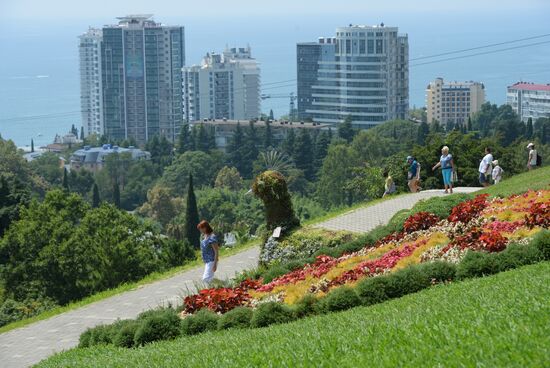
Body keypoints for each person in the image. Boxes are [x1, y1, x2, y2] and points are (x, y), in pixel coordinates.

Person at [197, 220, 219, 284]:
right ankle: (213, 290)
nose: (200, 231)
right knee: (208, 279)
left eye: (201, 229)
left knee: (206, 279)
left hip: (212, 260)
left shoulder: (212, 237)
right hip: (207, 261)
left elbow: (216, 251)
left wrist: (215, 264)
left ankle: (223, 283)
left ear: (205, 228)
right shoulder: (204, 236)